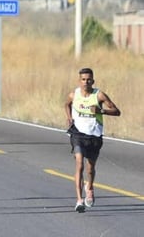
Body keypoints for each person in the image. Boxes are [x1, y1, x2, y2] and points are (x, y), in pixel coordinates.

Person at [65, 68, 120, 213]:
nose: (86, 82)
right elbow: (66, 104)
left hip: (94, 136)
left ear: (93, 81)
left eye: (88, 79)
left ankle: (89, 187)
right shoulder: (74, 94)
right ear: (79, 81)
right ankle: (79, 200)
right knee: (79, 164)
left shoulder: (99, 95)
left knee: (90, 168)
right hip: (78, 134)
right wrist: (69, 118)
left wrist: (101, 111)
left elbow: (117, 111)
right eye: (83, 79)